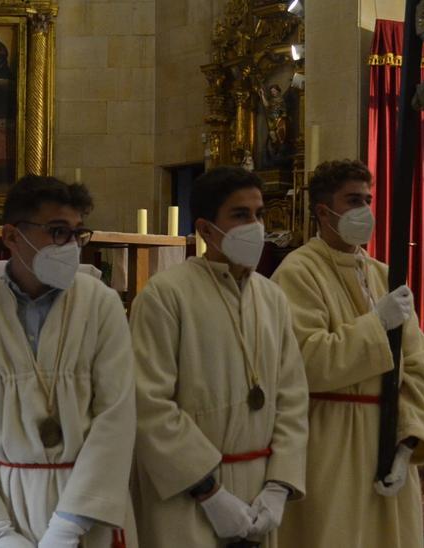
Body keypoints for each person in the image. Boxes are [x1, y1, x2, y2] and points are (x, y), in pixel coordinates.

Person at [0, 175, 137, 548]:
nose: (71, 245)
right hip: (3, 505)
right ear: (12, 236)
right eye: (58, 231)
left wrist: (69, 526)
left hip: (85, 510)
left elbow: (116, 417)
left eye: (78, 234)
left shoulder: (102, 304)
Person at [131, 166, 308, 547]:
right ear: (207, 229)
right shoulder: (166, 295)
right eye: (241, 215)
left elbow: (292, 397)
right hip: (188, 494)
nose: (256, 225)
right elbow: (148, 403)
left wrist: (279, 485)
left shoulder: (272, 296)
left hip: (260, 489)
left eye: (259, 214)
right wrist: (210, 494)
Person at [272, 160, 424, 547]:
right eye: (352, 200)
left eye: (367, 199)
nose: (364, 210)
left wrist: (408, 442)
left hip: (389, 434)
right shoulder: (298, 271)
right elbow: (308, 361)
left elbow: (415, 365)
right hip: (331, 438)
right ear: (323, 211)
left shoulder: (384, 274)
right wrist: (375, 325)